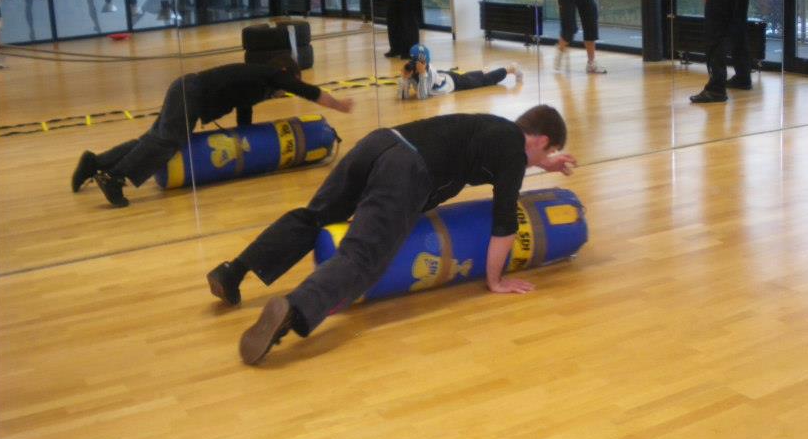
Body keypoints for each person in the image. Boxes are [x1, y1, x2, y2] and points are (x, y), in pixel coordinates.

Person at [206, 104, 577, 365]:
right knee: (363, 257)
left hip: (381, 142)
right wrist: (496, 281)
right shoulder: (513, 153)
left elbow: (514, 159)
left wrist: (545, 163)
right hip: (406, 170)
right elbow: (505, 221)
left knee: (314, 216)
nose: (543, 159)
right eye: (550, 151)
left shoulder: (496, 128)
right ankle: (293, 309)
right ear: (541, 140)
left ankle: (233, 271)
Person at [71, 57, 354, 208]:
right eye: (289, 82)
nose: (286, 89)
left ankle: (95, 163)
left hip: (186, 90)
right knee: (168, 141)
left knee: (153, 139)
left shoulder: (256, 83)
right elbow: (306, 91)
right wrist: (337, 105)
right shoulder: (269, 74)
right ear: (283, 71)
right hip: (190, 92)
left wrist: (249, 140)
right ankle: (115, 178)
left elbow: (244, 110)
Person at [398, 43, 523, 100]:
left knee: (483, 81)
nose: (414, 64)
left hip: (453, 83)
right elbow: (403, 96)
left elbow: (422, 96)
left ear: (425, 62)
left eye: (418, 61)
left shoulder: (428, 73)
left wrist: (422, 74)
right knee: (468, 77)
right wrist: (404, 78)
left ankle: (510, 69)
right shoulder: (412, 70)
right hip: (443, 76)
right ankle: (481, 72)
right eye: (413, 60)